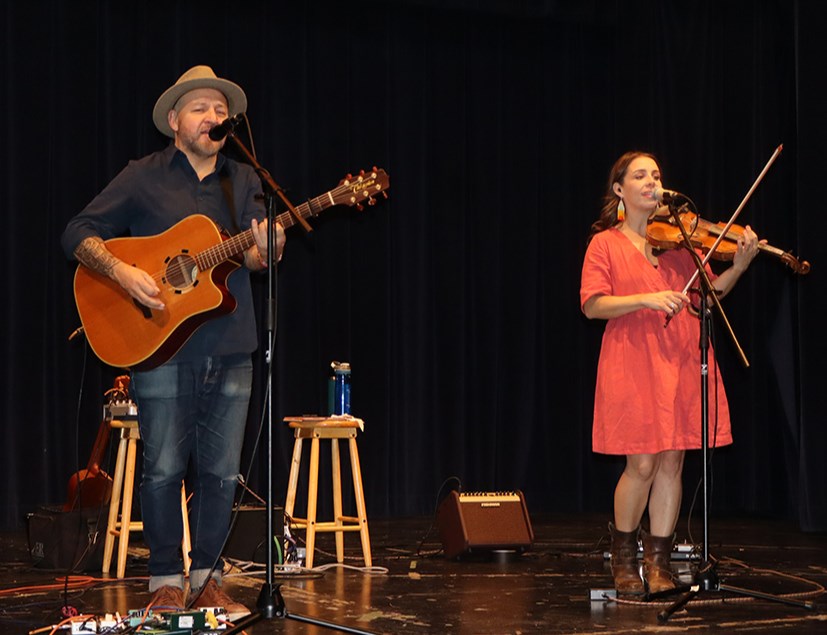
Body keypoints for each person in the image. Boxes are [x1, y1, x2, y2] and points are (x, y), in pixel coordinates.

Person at [61, 65, 286, 617]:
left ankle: (207, 576)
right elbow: (77, 232)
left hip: (233, 347)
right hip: (160, 346)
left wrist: (270, 245)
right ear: (173, 120)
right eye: (200, 107)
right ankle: (164, 579)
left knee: (219, 472)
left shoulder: (245, 179)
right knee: (162, 469)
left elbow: (258, 259)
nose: (214, 116)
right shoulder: (144, 175)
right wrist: (121, 272)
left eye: (219, 109)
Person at [579, 151, 760, 596]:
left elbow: (708, 293)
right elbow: (592, 304)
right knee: (641, 462)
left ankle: (658, 561)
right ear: (620, 190)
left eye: (656, 175)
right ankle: (624, 559)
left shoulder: (680, 243)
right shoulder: (605, 243)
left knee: (673, 460)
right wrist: (646, 298)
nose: (651, 181)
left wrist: (738, 265)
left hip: (679, 357)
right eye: (640, 175)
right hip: (634, 360)